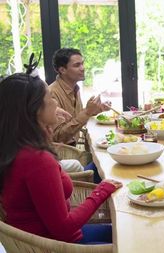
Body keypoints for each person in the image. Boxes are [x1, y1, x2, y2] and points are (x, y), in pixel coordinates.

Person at [0, 57, 122, 244]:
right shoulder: (37, 160)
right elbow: (63, 227)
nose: (55, 104)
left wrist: (43, 126)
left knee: (122, 228)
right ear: (34, 110)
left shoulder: (15, 147)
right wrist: (102, 191)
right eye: (50, 99)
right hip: (58, 244)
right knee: (134, 237)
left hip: (38, 240)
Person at [49, 48, 110, 145]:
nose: (83, 68)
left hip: (75, 148)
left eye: (82, 63)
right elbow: (58, 137)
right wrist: (87, 112)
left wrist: (96, 109)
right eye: (77, 65)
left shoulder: (74, 88)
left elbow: (75, 119)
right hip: (63, 155)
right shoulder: (52, 93)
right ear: (62, 70)